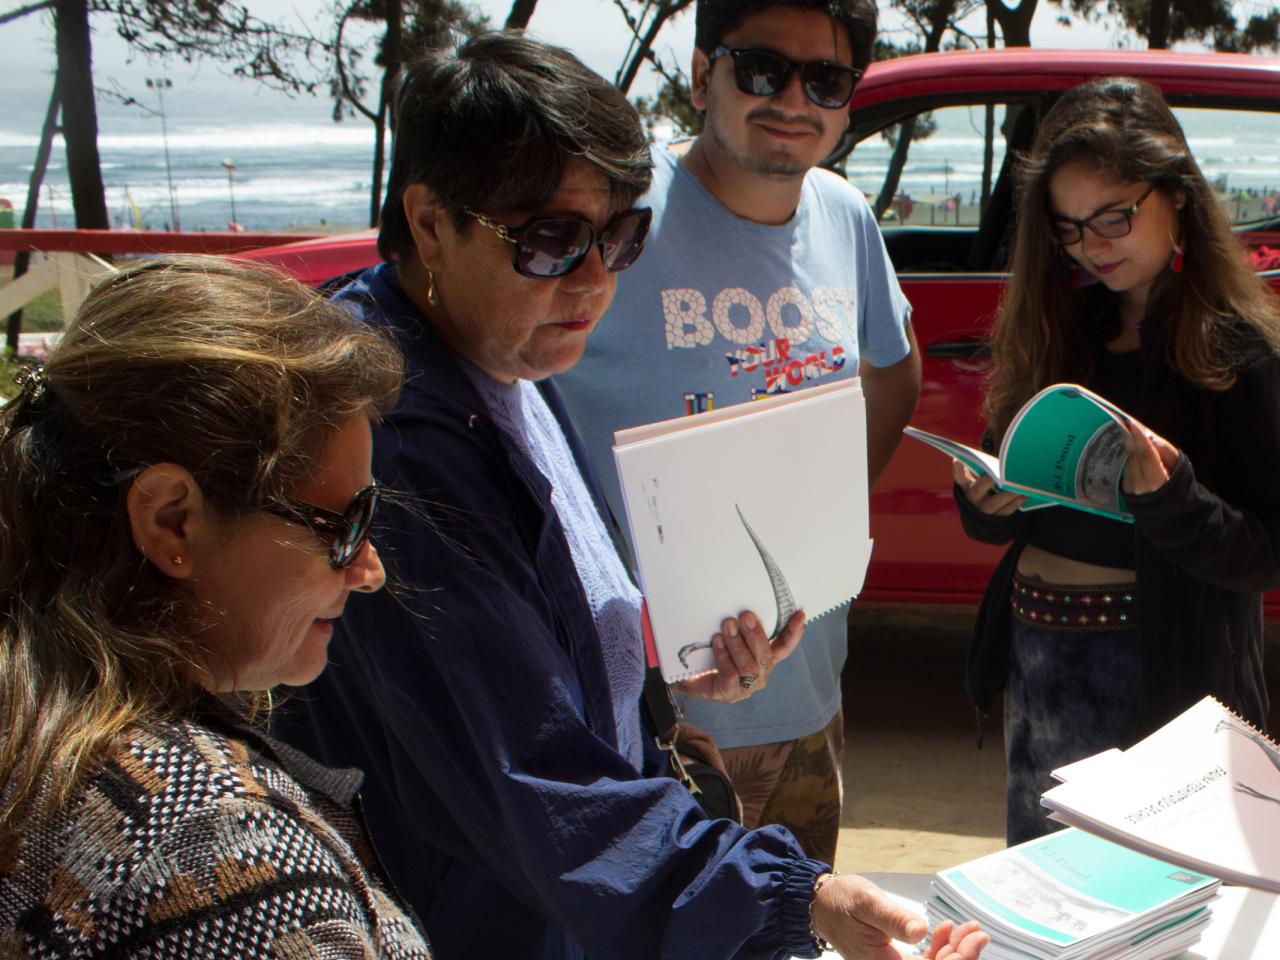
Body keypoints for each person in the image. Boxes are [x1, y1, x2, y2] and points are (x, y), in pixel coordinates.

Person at [272, 32, 985, 960]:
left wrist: (649, 667)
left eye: (620, 237)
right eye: (552, 240)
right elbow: (529, 776)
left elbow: (538, 614)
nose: (598, 280)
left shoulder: (500, 351)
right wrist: (794, 895)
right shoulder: (396, 436)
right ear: (430, 221)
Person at [555, 0, 921, 863]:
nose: (794, 98)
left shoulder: (843, 215)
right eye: (761, 68)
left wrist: (824, 524)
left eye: (825, 78)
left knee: (797, 927)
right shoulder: (617, 213)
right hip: (644, 711)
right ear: (700, 73)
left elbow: (894, 368)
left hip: (803, 700)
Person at [0, 257, 432, 957]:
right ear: (172, 521)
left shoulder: (33, 717)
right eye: (343, 524)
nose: (369, 569)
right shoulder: (224, 864)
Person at [952, 76, 1280, 844]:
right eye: (1069, 229)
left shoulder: (1238, 351)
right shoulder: (1064, 325)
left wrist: (1175, 502)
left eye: (1113, 218)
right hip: (1039, 670)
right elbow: (1026, 507)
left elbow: (1267, 550)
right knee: (1046, 900)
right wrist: (985, 501)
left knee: (1150, 909)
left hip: (1159, 687)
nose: (1092, 248)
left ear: (1178, 199)